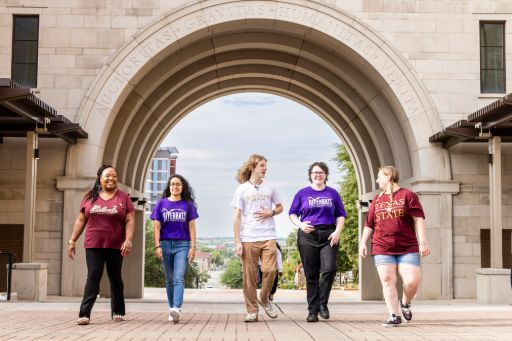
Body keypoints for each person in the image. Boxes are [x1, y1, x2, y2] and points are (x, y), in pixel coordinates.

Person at [359, 165, 430, 327]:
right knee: (387, 280)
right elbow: (370, 223)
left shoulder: (408, 195)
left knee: (412, 281)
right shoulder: (377, 200)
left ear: (389, 176)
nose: (377, 180)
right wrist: (363, 242)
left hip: (407, 246)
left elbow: (418, 219)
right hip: (382, 246)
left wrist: (423, 242)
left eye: (379, 176)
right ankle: (394, 315)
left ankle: (405, 303)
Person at [67, 165, 135, 325]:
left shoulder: (123, 197)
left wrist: (128, 240)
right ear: (100, 178)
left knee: (115, 277)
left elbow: (130, 220)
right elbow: (81, 219)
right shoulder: (90, 196)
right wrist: (72, 240)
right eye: (107, 176)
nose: (111, 178)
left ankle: (118, 311)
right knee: (93, 276)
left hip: (116, 245)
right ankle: (84, 314)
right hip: (93, 244)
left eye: (114, 176)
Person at [289, 161, 347, 322]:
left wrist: (337, 231)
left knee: (330, 269)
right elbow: (292, 214)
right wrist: (300, 224)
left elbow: (340, 215)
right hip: (308, 236)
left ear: (326, 175)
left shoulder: (333, 193)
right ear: (310, 175)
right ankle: (313, 311)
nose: (318, 175)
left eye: (321, 172)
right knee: (311, 274)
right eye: (315, 172)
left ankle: (323, 304)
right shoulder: (302, 193)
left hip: (329, 234)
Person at [232, 154, 283, 323]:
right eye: (262, 165)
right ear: (252, 167)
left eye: (265, 165)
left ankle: (265, 297)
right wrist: (237, 241)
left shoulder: (271, 187)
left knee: (270, 270)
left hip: (269, 235)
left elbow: (280, 206)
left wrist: (272, 212)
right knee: (250, 276)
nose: (265, 168)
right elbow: (237, 216)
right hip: (248, 237)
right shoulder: (242, 189)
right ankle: (252, 311)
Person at [151, 174, 198, 324]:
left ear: (182, 187)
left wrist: (193, 247)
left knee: (178, 278)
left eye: (178, 184)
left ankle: (176, 308)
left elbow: (192, 227)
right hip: (165, 244)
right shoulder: (161, 204)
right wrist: (157, 245)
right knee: (169, 280)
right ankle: (172, 308)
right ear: (169, 187)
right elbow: (156, 226)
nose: (175, 187)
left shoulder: (188, 205)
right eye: (172, 184)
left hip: (182, 245)